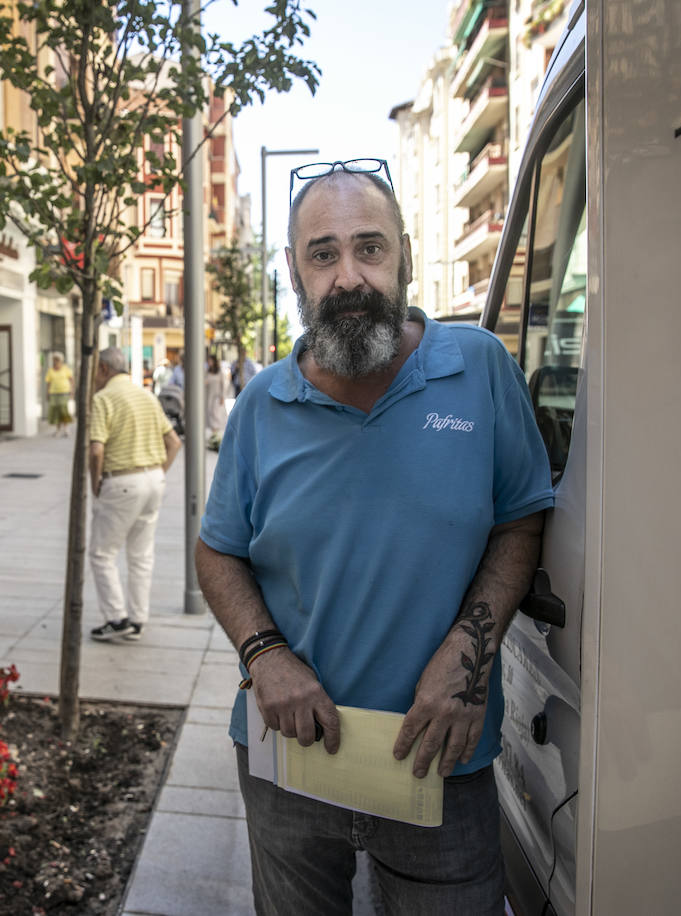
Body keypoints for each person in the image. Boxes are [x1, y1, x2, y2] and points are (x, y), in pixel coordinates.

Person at [195, 165, 554, 914]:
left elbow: (520, 519)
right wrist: (266, 657)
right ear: (294, 271)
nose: (348, 276)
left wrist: (468, 652)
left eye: (369, 248)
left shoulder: (480, 368)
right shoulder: (261, 403)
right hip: (286, 760)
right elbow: (218, 548)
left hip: (440, 761)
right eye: (322, 254)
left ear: (405, 258)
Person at [87, 346, 181, 642]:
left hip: (121, 480)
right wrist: (157, 473)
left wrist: (95, 482)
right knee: (141, 554)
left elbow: (96, 448)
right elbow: (174, 442)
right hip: (153, 478)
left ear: (103, 369)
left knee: (102, 553)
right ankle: (138, 619)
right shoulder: (146, 395)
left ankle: (117, 618)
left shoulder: (103, 399)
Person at [44, 352, 74, 437]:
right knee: (55, 412)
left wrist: (72, 391)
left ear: (61, 360)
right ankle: (58, 429)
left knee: (63, 410)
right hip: (54, 393)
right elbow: (48, 383)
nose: (56, 361)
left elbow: (71, 380)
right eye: (54, 360)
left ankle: (66, 429)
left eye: (57, 360)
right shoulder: (50, 370)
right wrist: (48, 393)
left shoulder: (65, 369)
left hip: (64, 393)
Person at [203, 352, 228, 444]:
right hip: (209, 396)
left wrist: (223, 396)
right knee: (210, 413)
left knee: (216, 414)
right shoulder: (207, 371)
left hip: (217, 396)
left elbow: (224, 385)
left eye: (210, 361)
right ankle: (214, 435)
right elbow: (204, 382)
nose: (209, 362)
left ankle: (216, 434)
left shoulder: (220, 372)